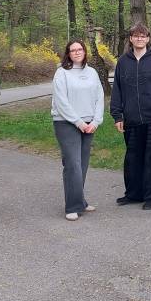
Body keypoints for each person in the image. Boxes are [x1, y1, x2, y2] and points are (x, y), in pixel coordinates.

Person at [109, 23, 151, 210]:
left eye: (143, 36)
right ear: (130, 39)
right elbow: (117, 90)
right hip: (131, 119)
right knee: (133, 158)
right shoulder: (123, 62)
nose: (139, 39)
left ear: (148, 39)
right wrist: (117, 116)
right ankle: (133, 194)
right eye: (136, 36)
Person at [51, 39, 105, 220]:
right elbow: (61, 102)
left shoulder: (92, 72)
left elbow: (99, 97)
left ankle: (79, 200)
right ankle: (72, 207)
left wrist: (96, 121)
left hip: (89, 124)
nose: (77, 52)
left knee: (82, 164)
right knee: (73, 164)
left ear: (84, 51)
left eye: (80, 49)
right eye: (73, 50)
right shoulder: (61, 73)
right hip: (66, 123)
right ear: (68, 53)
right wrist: (78, 122)